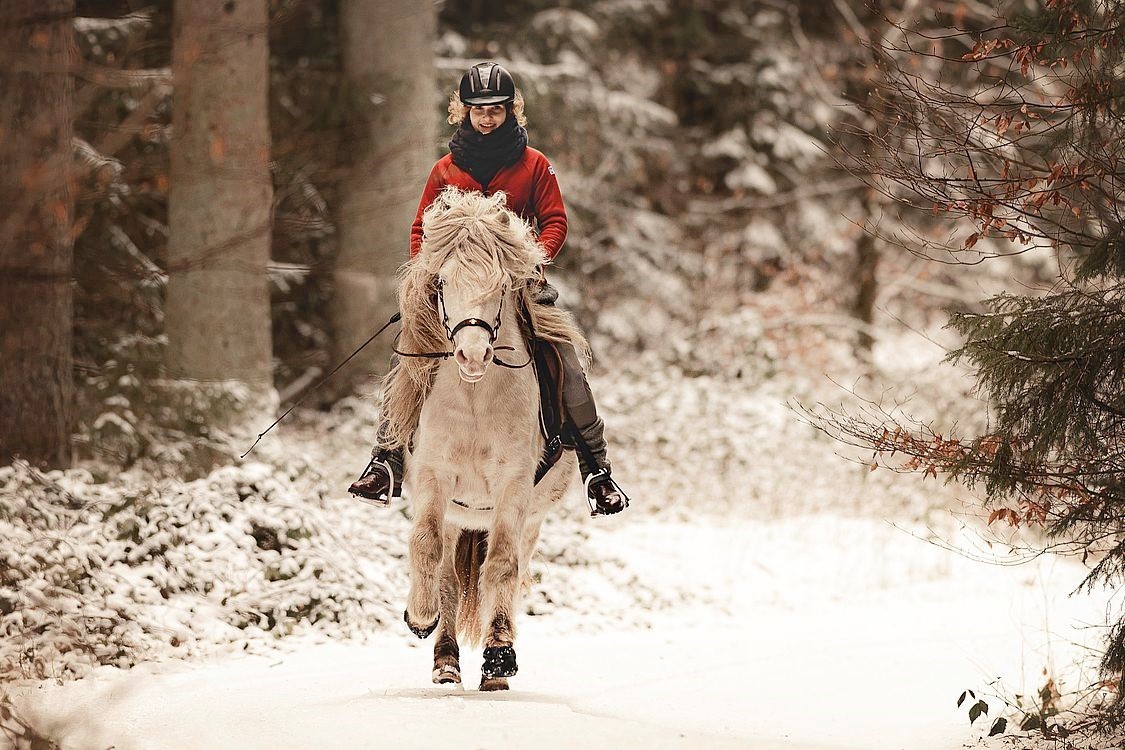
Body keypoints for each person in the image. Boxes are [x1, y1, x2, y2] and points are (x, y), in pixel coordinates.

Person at [348, 62, 626, 516]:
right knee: (407, 355)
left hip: (519, 284)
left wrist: (529, 260)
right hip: (455, 290)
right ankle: (388, 457)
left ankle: (597, 470)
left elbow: (556, 221)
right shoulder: (444, 169)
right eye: (479, 109)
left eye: (496, 109)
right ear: (463, 111)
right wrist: (430, 273)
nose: (488, 117)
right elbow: (422, 227)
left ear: (511, 110)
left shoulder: (535, 165)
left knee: (567, 361)